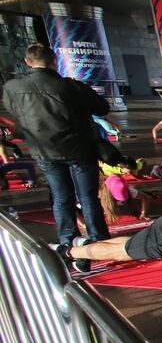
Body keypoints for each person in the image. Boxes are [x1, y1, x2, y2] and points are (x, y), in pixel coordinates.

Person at [1, 43, 114, 248]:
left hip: (43, 150)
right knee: (87, 196)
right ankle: (98, 238)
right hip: (79, 148)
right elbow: (102, 107)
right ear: (54, 62)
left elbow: (13, 109)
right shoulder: (70, 86)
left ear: (27, 61)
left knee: (61, 196)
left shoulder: (13, 88)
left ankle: (67, 239)